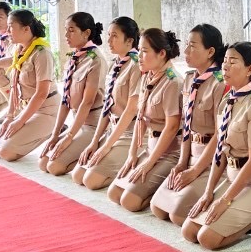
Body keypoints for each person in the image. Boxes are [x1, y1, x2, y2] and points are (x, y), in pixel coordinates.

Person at [182, 42, 251, 250]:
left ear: (250, 69)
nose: (225, 66)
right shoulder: (228, 99)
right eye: (225, 60)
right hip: (233, 178)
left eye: (233, 62)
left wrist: (225, 200)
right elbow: (221, 151)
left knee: (207, 239)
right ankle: (248, 212)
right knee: (189, 231)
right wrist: (209, 192)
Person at [151, 24, 228, 225]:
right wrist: (182, 163)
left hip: (211, 162)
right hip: (191, 155)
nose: (185, 51)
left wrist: (195, 171)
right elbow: (186, 126)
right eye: (186, 44)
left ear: (210, 52)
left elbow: (220, 135)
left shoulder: (220, 83)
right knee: (158, 208)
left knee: (177, 216)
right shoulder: (190, 79)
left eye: (192, 46)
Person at [108, 29, 182, 212]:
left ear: (162, 53)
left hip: (169, 153)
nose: (139, 56)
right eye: (139, 50)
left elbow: (172, 127)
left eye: (144, 51)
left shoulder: (173, 82)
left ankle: (159, 191)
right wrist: (132, 153)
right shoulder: (147, 76)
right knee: (114, 193)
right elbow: (140, 118)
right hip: (150, 148)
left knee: (129, 202)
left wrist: (149, 164)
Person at [72, 17, 141, 191]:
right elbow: (107, 106)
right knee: (78, 175)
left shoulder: (136, 66)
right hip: (113, 128)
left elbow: (130, 110)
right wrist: (95, 141)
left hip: (129, 133)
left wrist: (106, 147)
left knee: (91, 181)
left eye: (114, 36)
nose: (109, 40)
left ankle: (127, 168)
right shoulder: (114, 64)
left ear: (129, 41)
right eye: (108, 35)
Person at [38, 13, 107, 176]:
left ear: (86, 33)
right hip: (78, 122)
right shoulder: (74, 57)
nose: (66, 35)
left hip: (92, 124)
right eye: (65, 30)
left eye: (71, 30)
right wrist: (55, 135)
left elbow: (87, 102)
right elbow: (66, 101)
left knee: (54, 167)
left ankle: (98, 147)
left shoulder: (96, 60)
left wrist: (69, 136)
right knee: (43, 162)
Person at [0, 9, 58, 162]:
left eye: (11, 26)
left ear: (26, 29)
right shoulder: (19, 50)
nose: (7, 31)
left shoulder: (42, 53)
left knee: (6, 153)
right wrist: (10, 117)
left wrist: (20, 122)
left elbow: (41, 93)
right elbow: (14, 87)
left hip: (46, 111)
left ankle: (54, 128)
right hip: (27, 108)